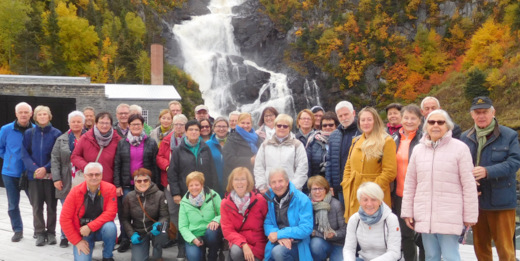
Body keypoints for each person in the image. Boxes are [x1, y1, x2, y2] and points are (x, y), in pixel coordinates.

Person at [402, 109, 478, 261]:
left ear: (447, 126)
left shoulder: (460, 148)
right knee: (431, 256)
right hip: (425, 214)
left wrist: (470, 215)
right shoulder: (418, 150)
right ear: (426, 126)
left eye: (440, 122)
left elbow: (468, 184)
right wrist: (407, 211)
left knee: (451, 256)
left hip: (450, 215)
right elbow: (410, 183)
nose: (435, 125)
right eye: (431, 122)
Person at [460, 96, 520, 260]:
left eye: (485, 112)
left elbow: (515, 162)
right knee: (480, 249)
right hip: (476, 202)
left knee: (506, 250)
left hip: (502, 202)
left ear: (493, 112)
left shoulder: (509, 135)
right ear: (472, 115)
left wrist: (488, 171)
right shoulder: (465, 137)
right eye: (477, 112)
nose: (481, 116)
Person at [168, 120, 218, 259]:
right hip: (185, 191)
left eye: (197, 130)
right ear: (186, 131)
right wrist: (176, 192)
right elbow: (172, 173)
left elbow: (212, 170)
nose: (194, 132)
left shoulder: (205, 148)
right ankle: (183, 247)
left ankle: (209, 248)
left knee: (205, 219)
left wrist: (212, 190)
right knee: (184, 222)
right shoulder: (178, 150)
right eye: (191, 130)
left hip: (204, 191)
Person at [341, 107, 396, 221]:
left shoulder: (386, 141)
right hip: (354, 192)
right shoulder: (355, 141)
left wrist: (371, 192)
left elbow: (389, 172)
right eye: (363, 120)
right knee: (357, 228)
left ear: (375, 121)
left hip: (376, 193)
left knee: (375, 229)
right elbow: (348, 166)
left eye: (369, 119)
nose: (366, 123)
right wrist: (346, 183)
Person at [113, 113, 159, 251]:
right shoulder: (122, 143)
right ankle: (126, 239)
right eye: (133, 124)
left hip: (146, 184)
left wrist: (155, 184)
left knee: (145, 211)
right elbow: (117, 164)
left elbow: (155, 165)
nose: (136, 127)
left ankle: (147, 238)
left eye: (138, 124)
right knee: (125, 213)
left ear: (142, 125)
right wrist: (118, 185)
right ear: (129, 126)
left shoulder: (150, 142)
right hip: (127, 184)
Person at [21, 105, 62, 246]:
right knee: (36, 206)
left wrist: (45, 168)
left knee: (51, 206)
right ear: (36, 117)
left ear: (49, 116)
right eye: (40, 114)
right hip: (34, 177)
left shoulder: (57, 134)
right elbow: (24, 154)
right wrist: (35, 169)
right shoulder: (29, 133)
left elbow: (57, 155)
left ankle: (51, 233)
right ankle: (39, 232)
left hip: (50, 177)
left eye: (45, 114)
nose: (43, 116)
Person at [60, 162, 118, 261]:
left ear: (102, 175)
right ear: (85, 176)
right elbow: (64, 219)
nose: (94, 177)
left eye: (97, 174)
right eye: (90, 174)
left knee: (111, 227)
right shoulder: (75, 192)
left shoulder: (110, 188)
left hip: (100, 229)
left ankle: (107, 256)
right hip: (82, 233)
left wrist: (90, 227)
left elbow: (111, 213)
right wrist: (77, 241)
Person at [391, 104, 423, 261]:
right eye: (406, 117)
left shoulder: (425, 138)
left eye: (413, 118)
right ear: (401, 119)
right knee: (405, 234)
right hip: (399, 194)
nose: (409, 121)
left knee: (423, 235)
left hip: (421, 194)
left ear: (419, 121)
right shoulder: (394, 138)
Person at [51, 110, 86, 248]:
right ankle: (65, 236)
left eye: (79, 121)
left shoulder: (90, 137)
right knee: (67, 209)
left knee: (84, 209)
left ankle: (83, 235)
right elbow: (55, 159)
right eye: (73, 121)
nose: (76, 124)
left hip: (84, 178)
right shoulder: (61, 139)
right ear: (69, 123)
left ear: (83, 123)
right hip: (66, 179)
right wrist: (56, 178)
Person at [0, 102, 34, 242]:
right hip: (10, 173)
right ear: (16, 114)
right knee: (13, 205)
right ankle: (18, 230)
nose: (23, 114)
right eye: (21, 112)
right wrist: (10, 159)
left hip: (30, 174)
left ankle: (38, 230)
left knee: (35, 204)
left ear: (31, 114)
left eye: (26, 112)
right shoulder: (6, 129)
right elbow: (1, 148)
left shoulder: (36, 130)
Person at [264, 168, 313, 261]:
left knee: (278, 252)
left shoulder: (302, 199)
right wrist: (279, 237)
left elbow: (306, 228)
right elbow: (268, 223)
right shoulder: (269, 199)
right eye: (273, 182)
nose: (277, 185)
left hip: (298, 243)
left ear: (287, 182)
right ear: (270, 185)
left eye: (280, 181)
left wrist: (280, 234)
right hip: (278, 242)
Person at [343, 182, 401, 261]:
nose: (369, 204)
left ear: (380, 201)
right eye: (365, 200)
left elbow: (395, 252)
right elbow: (349, 248)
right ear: (360, 202)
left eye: (374, 199)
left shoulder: (391, 219)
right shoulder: (354, 219)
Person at [156, 113, 188, 257]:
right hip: (169, 181)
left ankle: (185, 237)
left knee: (187, 210)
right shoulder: (167, 140)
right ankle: (175, 236)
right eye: (176, 124)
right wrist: (168, 167)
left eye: (181, 124)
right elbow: (160, 157)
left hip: (188, 181)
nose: (179, 127)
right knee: (172, 210)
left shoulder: (190, 139)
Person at [220, 167, 268, 261]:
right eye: (236, 179)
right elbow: (227, 230)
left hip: (257, 243)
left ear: (248, 182)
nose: (239, 182)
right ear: (232, 183)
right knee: (235, 251)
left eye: (243, 179)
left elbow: (267, 221)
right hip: (239, 243)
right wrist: (244, 244)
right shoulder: (225, 203)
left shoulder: (260, 200)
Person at [122, 168, 169, 261]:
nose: (142, 183)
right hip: (139, 231)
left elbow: (165, 216)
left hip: (155, 229)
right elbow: (125, 219)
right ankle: (142, 248)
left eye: (145, 180)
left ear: (150, 181)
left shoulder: (160, 194)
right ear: (135, 183)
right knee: (138, 259)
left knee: (162, 233)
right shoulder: (129, 197)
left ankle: (157, 253)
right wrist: (132, 234)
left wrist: (159, 224)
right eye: (139, 181)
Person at [254, 114, 308, 193]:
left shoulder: (297, 145)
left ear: (289, 128)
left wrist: (294, 188)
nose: (282, 128)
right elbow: (259, 166)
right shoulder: (265, 145)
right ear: (275, 126)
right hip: (269, 190)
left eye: (285, 126)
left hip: (291, 191)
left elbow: (302, 168)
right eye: (279, 125)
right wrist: (262, 187)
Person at [179, 171, 223, 261]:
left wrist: (216, 220)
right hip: (194, 235)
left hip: (210, 232)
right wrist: (192, 239)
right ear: (188, 187)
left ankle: (213, 254)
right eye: (191, 185)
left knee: (212, 232)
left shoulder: (213, 195)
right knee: (194, 258)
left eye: (197, 184)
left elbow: (223, 213)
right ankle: (200, 252)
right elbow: (182, 227)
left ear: (202, 185)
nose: (194, 187)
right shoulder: (184, 202)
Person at [71, 112, 122, 185]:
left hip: (108, 183)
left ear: (111, 124)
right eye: (101, 123)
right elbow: (75, 156)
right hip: (89, 181)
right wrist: (87, 167)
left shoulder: (117, 139)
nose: (104, 126)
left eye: (107, 123)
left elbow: (120, 163)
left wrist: (118, 184)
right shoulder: (86, 137)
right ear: (96, 123)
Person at [326, 101, 360, 204]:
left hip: (359, 185)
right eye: (340, 116)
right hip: (340, 187)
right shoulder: (334, 135)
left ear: (353, 113)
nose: (344, 118)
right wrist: (329, 184)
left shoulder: (362, 131)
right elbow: (329, 161)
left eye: (346, 114)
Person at [307, 176, 345, 261]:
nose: (317, 192)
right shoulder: (307, 205)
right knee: (315, 245)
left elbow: (344, 231)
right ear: (310, 191)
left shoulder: (336, 205)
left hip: (337, 243)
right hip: (320, 243)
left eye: (320, 189)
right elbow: (309, 230)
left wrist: (334, 234)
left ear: (326, 190)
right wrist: (322, 235)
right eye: (314, 189)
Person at [223, 113, 263, 182]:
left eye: (248, 123)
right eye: (243, 123)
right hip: (239, 178)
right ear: (238, 123)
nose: (245, 125)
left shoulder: (257, 138)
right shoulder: (232, 138)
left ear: (251, 124)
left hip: (256, 177)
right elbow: (228, 158)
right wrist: (249, 160)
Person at [306, 112, 339, 179]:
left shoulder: (342, 139)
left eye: (331, 125)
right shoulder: (312, 140)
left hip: (337, 181)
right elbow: (307, 164)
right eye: (324, 125)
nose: (328, 127)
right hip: (317, 181)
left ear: (336, 125)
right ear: (321, 127)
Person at [205, 117, 230, 196]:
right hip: (213, 185)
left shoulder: (233, 143)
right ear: (214, 128)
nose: (221, 129)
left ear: (228, 128)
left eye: (224, 126)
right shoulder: (207, 144)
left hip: (230, 183)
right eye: (219, 126)